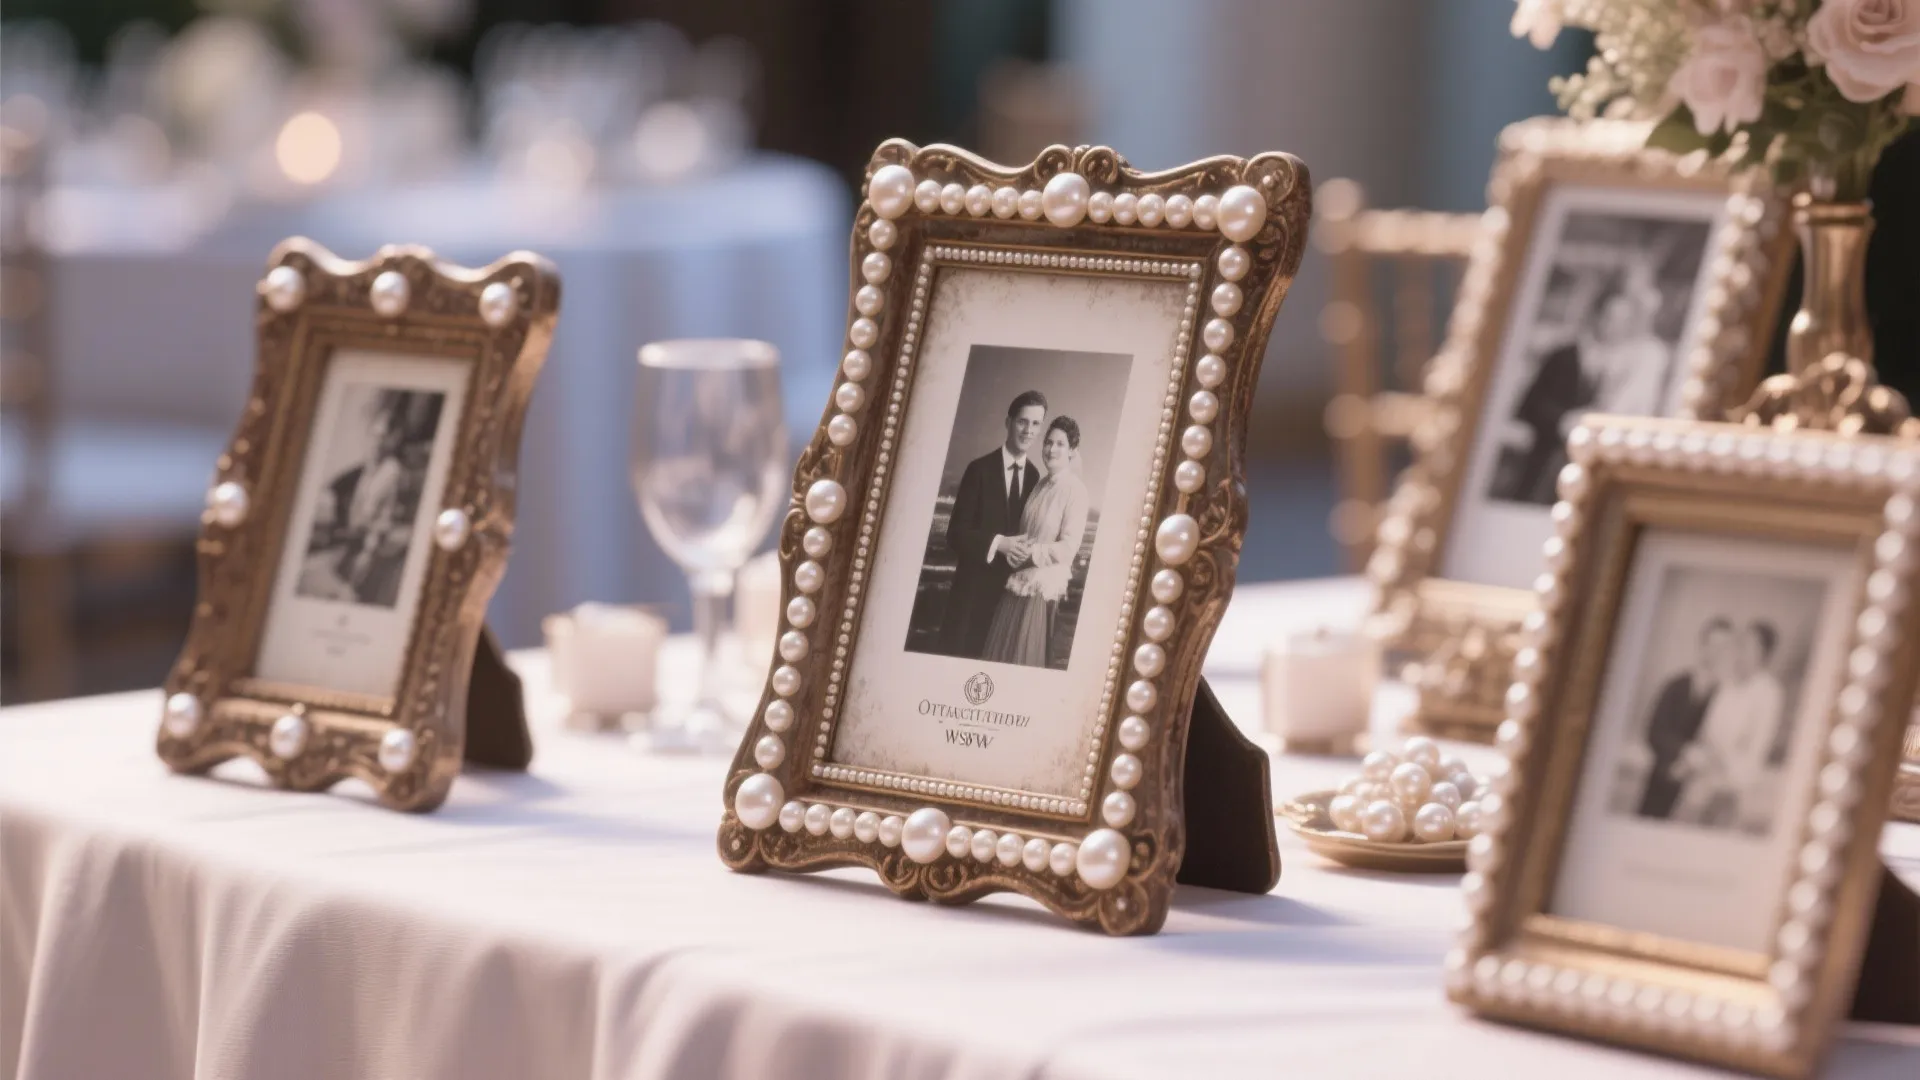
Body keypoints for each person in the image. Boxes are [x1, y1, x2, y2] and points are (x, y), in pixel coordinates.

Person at [1497, 273, 1665, 505]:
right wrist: (1562, 421)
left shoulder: (1619, 365)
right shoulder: (1562, 355)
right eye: (1610, 318)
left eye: (1621, 322)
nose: (1614, 327)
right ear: (1596, 315)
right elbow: (1530, 404)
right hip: (1545, 460)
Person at [939, 390, 1046, 659]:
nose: (1028, 431)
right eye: (1023, 421)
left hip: (1007, 602)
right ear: (1008, 422)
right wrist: (999, 543)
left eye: (1035, 424)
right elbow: (955, 534)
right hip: (970, 596)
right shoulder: (979, 470)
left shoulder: (1035, 477)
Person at [981, 416, 1091, 668]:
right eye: (1048, 442)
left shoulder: (1075, 490)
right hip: (1020, 579)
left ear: (1072, 451)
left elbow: (1068, 549)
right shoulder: (1039, 485)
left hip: (1042, 589)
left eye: (1060, 444)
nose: (1052, 449)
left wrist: (1031, 552)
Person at [1676, 620, 1784, 827]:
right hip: (1702, 779)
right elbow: (1706, 730)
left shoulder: (1769, 692)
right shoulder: (1728, 683)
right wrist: (1699, 758)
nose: (1741, 651)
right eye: (1741, 643)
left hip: (1731, 787)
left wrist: (1723, 764)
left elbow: (1757, 747)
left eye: (1749, 646)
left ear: (1763, 653)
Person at [1634, 617, 1731, 819]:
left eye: (1723, 647)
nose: (1716, 652)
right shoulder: (1675, 685)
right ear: (1702, 645)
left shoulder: (1724, 696)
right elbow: (1654, 732)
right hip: (1662, 779)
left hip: (1697, 787)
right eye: (1713, 645)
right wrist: (1684, 751)